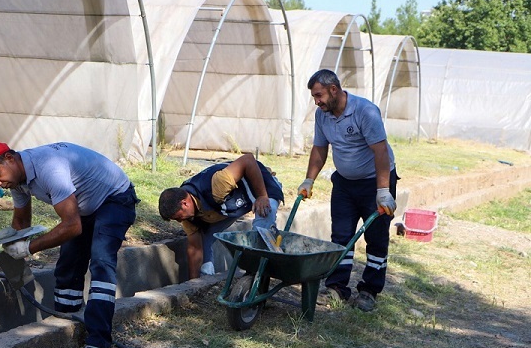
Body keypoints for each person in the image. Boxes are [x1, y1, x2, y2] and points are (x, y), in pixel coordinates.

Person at [0, 139, 138, 348]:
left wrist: (29, 248)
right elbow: (21, 222)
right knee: (68, 265)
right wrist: (9, 248)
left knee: (100, 261)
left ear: (10, 158)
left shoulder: (49, 168)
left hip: (114, 198)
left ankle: (98, 344)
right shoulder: (18, 179)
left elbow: (72, 226)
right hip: (84, 205)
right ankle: (68, 321)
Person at [298, 69, 398, 312]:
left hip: (375, 180)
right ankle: (337, 288)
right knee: (341, 236)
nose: (317, 101)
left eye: (319, 95)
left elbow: (380, 151)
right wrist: (309, 180)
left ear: (334, 90)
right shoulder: (323, 115)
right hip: (344, 183)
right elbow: (320, 149)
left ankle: (369, 291)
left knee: (376, 238)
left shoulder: (365, 111)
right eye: (314, 97)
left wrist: (383, 190)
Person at [158, 153, 284, 279]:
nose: (179, 221)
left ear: (184, 203)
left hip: (263, 186)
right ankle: (206, 278)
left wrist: (262, 196)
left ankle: (258, 272)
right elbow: (195, 248)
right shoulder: (187, 215)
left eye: (178, 217)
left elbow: (248, 160)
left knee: (262, 223)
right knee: (205, 237)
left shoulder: (218, 184)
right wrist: (192, 284)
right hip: (236, 202)